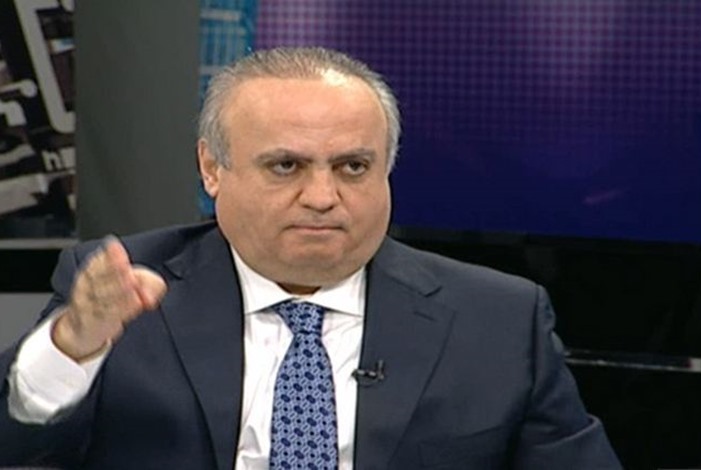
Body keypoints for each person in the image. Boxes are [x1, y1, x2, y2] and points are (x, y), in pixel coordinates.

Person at [0, 47, 621, 469]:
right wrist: (70, 350)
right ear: (212, 168)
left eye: (352, 167)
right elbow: (16, 445)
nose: (322, 197)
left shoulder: (498, 318)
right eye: (286, 165)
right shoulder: (123, 292)